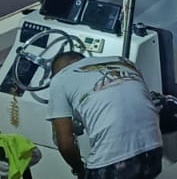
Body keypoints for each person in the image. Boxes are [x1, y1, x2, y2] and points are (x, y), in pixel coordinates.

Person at [46, 50, 163, 179]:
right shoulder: (123, 61)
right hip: (153, 150)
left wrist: (79, 170)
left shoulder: (59, 79)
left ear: (56, 72)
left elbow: (65, 144)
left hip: (112, 162)